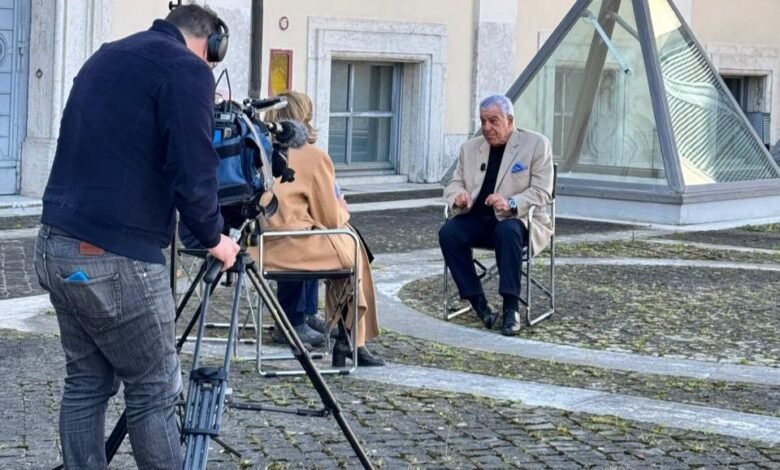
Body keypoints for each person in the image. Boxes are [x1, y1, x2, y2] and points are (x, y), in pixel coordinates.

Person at [32, 5, 240, 469]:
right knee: (154, 388)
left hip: (55, 243)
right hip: (114, 256)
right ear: (211, 43)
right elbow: (194, 168)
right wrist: (215, 237)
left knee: (86, 383)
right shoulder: (188, 69)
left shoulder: (105, 55)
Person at [255, 90, 385, 367]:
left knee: (349, 244)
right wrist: (342, 208)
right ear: (304, 118)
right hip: (291, 246)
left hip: (257, 248)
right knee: (352, 249)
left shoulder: (256, 149)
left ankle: (346, 336)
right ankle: (351, 338)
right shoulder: (312, 157)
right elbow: (330, 218)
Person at [439, 95, 553, 336]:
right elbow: (454, 183)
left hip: (519, 220)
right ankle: (480, 305)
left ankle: (511, 308)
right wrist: (458, 196)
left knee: (507, 230)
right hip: (478, 218)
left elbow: (543, 191)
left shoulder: (536, 144)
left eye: (493, 121)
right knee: (449, 232)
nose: (486, 127)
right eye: (483, 121)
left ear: (509, 120)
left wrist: (511, 202)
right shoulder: (470, 148)